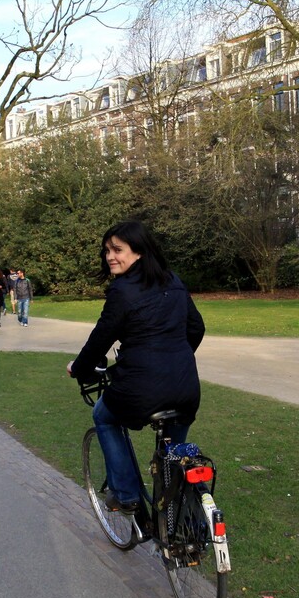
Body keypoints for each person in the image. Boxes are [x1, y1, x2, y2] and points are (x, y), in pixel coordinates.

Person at [67, 220, 205, 514]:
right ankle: (176, 516)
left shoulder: (123, 291)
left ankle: (126, 493)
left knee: (103, 415)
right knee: (174, 456)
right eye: (107, 250)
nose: (110, 257)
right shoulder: (172, 280)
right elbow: (196, 328)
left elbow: (99, 340)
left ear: (139, 252)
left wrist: (78, 368)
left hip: (141, 389)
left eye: (117, 249)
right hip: (185, 385)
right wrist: (173, 357)